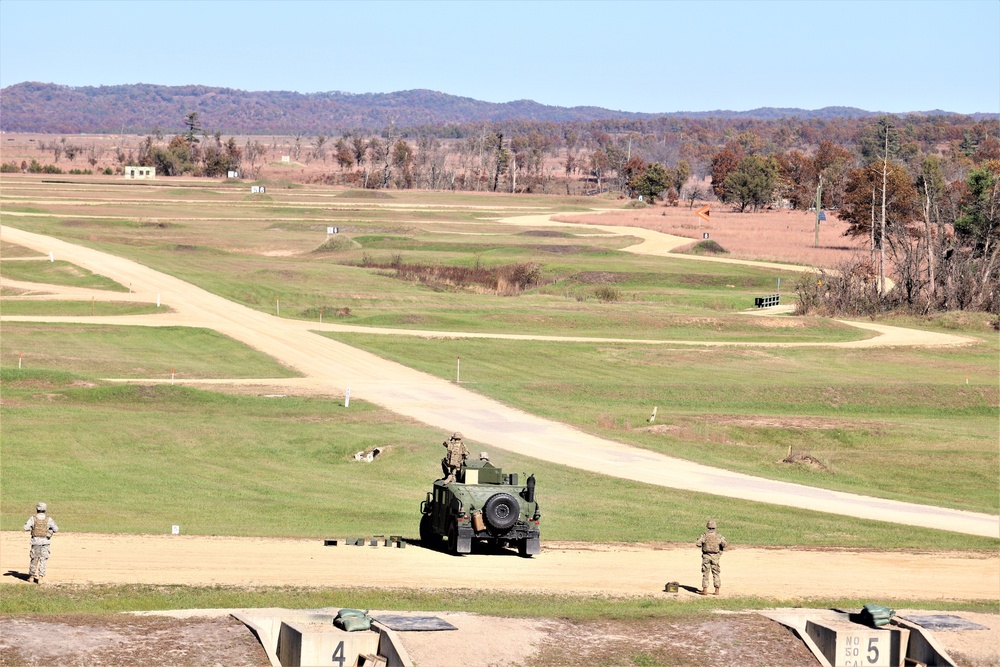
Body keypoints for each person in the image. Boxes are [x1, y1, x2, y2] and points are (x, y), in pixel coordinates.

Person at [23, 502, 58, 584]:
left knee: (34, 559)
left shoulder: (33, 518)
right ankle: (40, 578)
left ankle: (31, 577)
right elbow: (56, 529)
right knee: (43, 559)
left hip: (35, 541)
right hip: (45, 541)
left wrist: (32, 528)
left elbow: (26, 527)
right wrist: (49, 531)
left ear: (37, 509)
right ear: (45, 509)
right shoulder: (49, 519)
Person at [695, 519, 727, 595]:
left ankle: (705, 590)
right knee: (716, 573)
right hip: (715, 557)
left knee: (705, 573)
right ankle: (717, 590)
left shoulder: (704, 535)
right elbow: (725, 544)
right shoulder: (719, 536)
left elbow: (698, 544)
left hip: (706, 556)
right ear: (715, 526)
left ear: (707, 526)